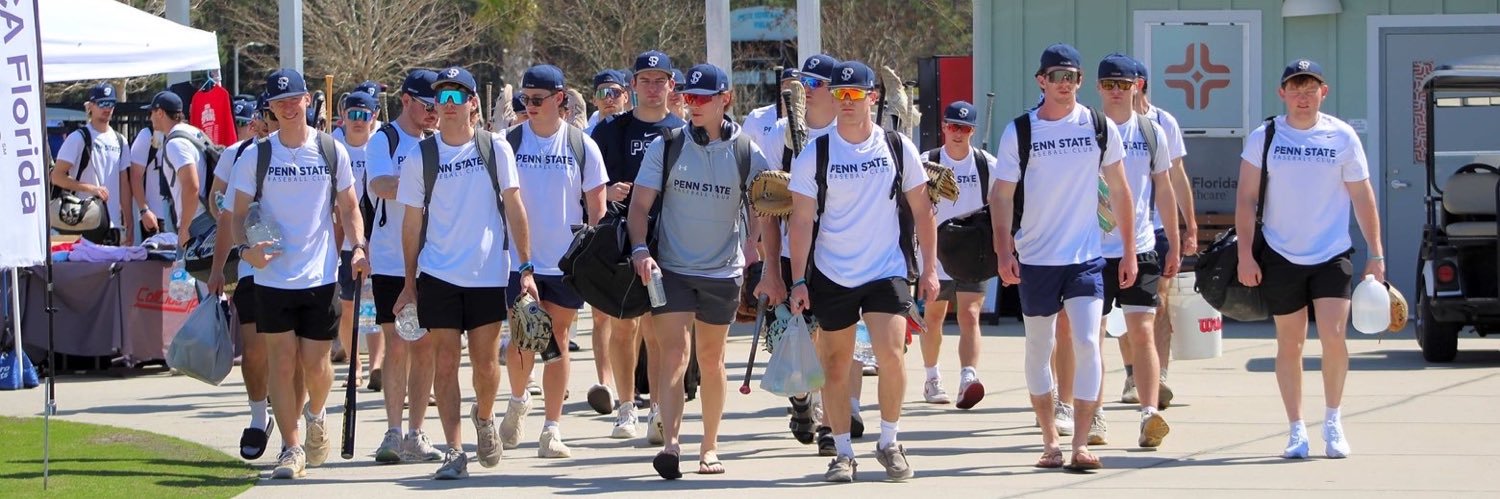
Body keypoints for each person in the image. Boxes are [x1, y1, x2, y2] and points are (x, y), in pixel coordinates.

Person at [787, 60, 937, 483]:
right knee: (834, 366)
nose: (847, 102)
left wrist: (928, 269)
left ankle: (889, 442)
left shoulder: (896, 146)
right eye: (840, 94)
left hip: (885, 269)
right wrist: (798, 279)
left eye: (855, 94)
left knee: (891, 355)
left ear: (873, 97)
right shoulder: (815, 153)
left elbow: (923, 211)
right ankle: (843, 452)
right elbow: (800, 220)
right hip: (833, 271)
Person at [393, 65, 537, 480]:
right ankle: (454, 450)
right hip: (437, 273)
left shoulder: (495, 148)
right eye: (442, 97)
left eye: (457, 97)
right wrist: (409, 283)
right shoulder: (422, 155)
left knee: (486, 363)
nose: (448, 105)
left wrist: (525, 268)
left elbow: (514, 207)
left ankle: (486, 418)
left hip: (488, 273)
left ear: (473, 103)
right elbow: (411, 221)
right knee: (444, 362)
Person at [990, 43, 1130, 471]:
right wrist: (1003, 248)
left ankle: (1081, 444)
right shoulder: (1021, 131)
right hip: (1035, 259)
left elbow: (1121, 190)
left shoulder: (1099, 126)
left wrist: (1127, 249)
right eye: (1056, 77)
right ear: (1041, 81)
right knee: (1040, 346)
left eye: (1071, 77)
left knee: (1088, 341)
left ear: (1080, 82)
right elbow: (1001, 195)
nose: (1064, 84)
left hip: (1086, 257)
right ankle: (1050, 439)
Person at [627, 63, 768, 479]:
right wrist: (639, 248)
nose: (695, 105)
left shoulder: (745, 150)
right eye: (689, 98)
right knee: (674, 354)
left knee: (711, 359)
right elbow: (639, 205)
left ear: (726, 99)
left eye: (704, 98)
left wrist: (753, 244)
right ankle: (672, 445)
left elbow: (762, 203)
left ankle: (710, 447)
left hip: (723, 272)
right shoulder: (667, 144)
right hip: (671, 268)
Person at [1236, 59, 1382, 460]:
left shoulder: (1342, 136)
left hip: (1331, 252)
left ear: (1324, 92)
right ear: (1282, 93)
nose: (1303, 96)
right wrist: (1245, 254)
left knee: (1334, 336)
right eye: (1295, 88)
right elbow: (1246, 198)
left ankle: (1333, 421)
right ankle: (1296, 429)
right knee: (1291, 342)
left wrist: (1377, 252)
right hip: (1280, 253)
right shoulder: (1264, 136)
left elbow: (1362, 196)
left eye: (1310, 88)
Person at [230, 68, 368, 480]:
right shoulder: (256, 155)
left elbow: (349, 207)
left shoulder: (330, 150)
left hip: (319, 274)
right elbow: (236, 214)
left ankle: (316, 413)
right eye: (280, 102)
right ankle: (291, 448)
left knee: (317, 365)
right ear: (269, 109)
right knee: (281, 362)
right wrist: (244, 251)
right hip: (271, 277)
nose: (289, 107)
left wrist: (358, 246)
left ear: (308, 101)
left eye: (296, 99)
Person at [755, 54, 865, 456]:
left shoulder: (852, 133)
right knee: (797, 335)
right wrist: (770, 268)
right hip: (791, 251)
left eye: (815, 85)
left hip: (842, 253)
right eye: (801, 84)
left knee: (839, 337)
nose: (804, 92)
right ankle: (805, 401)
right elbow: (764, 204)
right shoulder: (778, 136)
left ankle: (837, 419)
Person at [497, 64, 608, 459]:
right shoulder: (508, 143)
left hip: (563, 262)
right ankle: (517, 398)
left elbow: (597, 207)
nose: (530, 106)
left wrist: (591, 259)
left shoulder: (581, 145)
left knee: (558, 339)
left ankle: (551, 429)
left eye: (537, 99)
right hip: (518, 260)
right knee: (523, 337)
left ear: (560, 99)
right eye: (524, 100)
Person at [588, 50, 688, 442]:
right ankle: (626, 408)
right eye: (644, 80)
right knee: (623, 324)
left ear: (670, 86)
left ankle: (659, 409)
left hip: (667, 239)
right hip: (619, 238)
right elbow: (589, 184)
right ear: (633, 85)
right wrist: (606, 191)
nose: (652, 87)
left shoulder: (682, 130)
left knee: (657, 328)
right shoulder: (610, 130)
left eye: (659, 80)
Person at [1094, 55, 1177, 448]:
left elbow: (1165, 188)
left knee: (1143, 331)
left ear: (1137, 87)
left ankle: (1149, 415)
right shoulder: (1086, 129)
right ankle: (1092, 415)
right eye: (1108, 83)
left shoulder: (1150, 131)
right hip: (1090, 249)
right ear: (1097, 87)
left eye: (1123, 84)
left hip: (1141, 245)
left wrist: (1176, 242)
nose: (1115, 90)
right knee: (1090, 336)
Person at [365, 68, 445, 464]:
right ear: (407, 100)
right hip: (391, 259)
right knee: (396, 343)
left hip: (433, 259)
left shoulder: (440, 141)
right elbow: (380, 184)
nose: (434, 112)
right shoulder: (386, 139)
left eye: (439, 105)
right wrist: (418, 185)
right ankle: (393, 433)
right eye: (427, 105)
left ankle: (417, 432)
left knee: (425, 346)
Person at [206, 91, 285, 463]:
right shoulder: (239, 156)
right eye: (264, 117)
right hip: (254, 265)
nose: (269, 123)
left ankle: (294, 430)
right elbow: (224, 212)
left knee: (295, 355)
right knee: (254, 352)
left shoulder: (313, 152)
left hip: (299, 271)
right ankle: (259, 416)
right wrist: (220, 267)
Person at [915, 101, 998, 409]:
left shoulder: (986, 163)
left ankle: (968, 377)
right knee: (934, 316)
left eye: (964, 128)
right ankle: (932, 377)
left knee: (970, 314)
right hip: (936, 250)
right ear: (944, 128)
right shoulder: (928, 161)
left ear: (972, 131)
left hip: (973, 251)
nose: (958, 133)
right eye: (953, 126)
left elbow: (1000, 203)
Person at [1128, 57, 1195, 407]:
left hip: (1155, 228)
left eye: (1129, 82)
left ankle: (1160, 376)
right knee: (1122, 314)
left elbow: (1176, 177)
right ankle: (1131, 374)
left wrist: (1190, 224)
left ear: (1142, 85)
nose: (1124, 89)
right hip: (1115, 233)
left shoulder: (1162, 122)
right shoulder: (1105, 124)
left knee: (1158, 305)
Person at [334, 91, 381, 390]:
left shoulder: (378, 147)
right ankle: (355, 363)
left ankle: (376, 364)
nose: (358, 121)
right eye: (353, 115)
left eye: (364, 115)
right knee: (348, 305)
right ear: (344, 117)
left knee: (373, 306)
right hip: (344, 240)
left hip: (377, 237)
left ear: (374, 117)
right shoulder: (335, 147)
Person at [51, 82, 131, 243]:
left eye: (111, 103)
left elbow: (124, 183)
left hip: (112, 224)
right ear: (91, 106)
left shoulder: (121, 141)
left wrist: (129, 221)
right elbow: (57, 177)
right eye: (102, 103)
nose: (106, 108)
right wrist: (90, 188)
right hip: (83, 219)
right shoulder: (78, 138)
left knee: (114, 268)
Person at [144, 90, 207, 247]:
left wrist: (184, 228)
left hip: (196, 220)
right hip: (206, 214)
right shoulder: (194, 132)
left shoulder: (175, 143)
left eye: (151, 112)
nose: (150, 117)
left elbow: (191, 186)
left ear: (160, 113)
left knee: (187, 270)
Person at [741, 67, 798, 152]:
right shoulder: (756, 117)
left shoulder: (807, 119)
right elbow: (743, 151)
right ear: (780, 88)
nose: (791, 91)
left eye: (796, 87)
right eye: (787, 86)